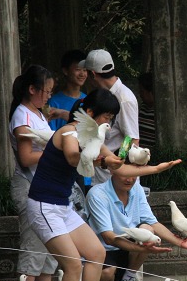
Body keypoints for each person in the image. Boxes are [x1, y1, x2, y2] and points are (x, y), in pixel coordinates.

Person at [27, 89, 125, 281]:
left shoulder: (93, 138)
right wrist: (103, 160)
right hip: (43, 205)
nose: (108, 122)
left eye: (111, 118)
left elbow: (112, 160)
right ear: (90, 113)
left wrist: (153, 167)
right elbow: (73, 157)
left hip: (62, 206)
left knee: (96, 252)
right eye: (106, 117)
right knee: (73, 265)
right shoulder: (69, 132)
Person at [86, 170, 187, 281]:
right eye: (124, 174)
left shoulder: (136, 188)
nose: (129, 179)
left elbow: (152, 222)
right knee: (107, 273)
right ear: (113, 172)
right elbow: (108, 238)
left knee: (148, 230)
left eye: (133, 175)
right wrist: (142, 248)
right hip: (103, 249)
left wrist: (181, 242)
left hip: (126, 244)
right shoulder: (97, 194)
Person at [8, 65, 60, 281]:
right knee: (33, 242)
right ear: (32, 89)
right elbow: (27, 158)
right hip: (29, 185)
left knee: (49, 241)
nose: (49, 96)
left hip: (45, 186)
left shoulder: (38, 113)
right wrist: (54, 149)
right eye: (46, 91)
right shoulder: (22, 115)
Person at [79, 49, 140, 184]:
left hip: (115, 176)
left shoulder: (124, 99)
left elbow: (132, 138)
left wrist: (118, 162)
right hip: (101, 171)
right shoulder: (104, 94)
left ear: (93, 74)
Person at [48, 49, 87, 131]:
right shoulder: (53, 102)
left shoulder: (88, 100)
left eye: (85, 70)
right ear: (65, 71)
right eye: (78, 69)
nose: (82, 74)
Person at [137, 72, 156, 149]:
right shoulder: (143, 107)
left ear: (151, 92)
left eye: (142, 91)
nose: (140, 94)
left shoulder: (159, 113)